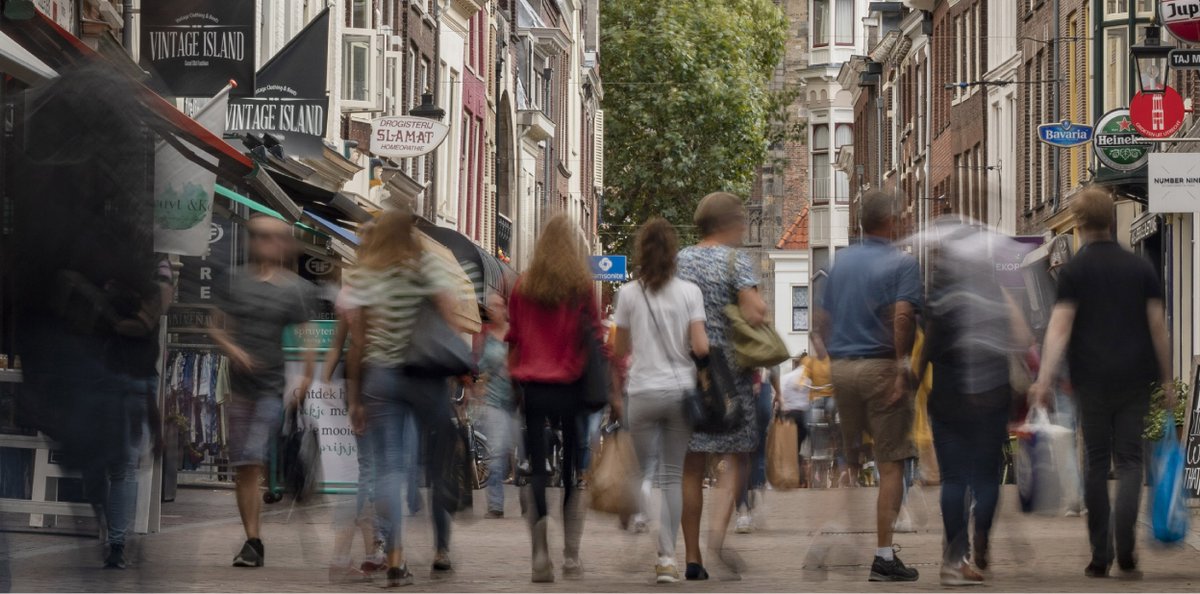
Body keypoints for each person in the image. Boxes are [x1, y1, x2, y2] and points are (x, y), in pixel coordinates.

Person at [1029, 188, 1173, 581]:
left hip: (1090, 380)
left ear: (1078, 224)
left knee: (1095, 462)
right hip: (1135, 379)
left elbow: (1060, 327)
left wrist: (1044, 379)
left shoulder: (1073, 271)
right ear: (1111, 220)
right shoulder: (1140, 267)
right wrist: (1167, 378)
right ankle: (1125, 549)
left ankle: (1099, 556)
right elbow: (1158, 327)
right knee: (1129, 462)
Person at [343, 208, 461, 587]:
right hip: (423, 375)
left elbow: (357, 340)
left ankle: (395, 557)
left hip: (380, 376)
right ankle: (441, 546)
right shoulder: (424, 263)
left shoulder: (365, 272)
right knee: (440, 461)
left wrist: (355, 397)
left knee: (388, 469)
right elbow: (450, 311)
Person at [814, 190, 922, 582]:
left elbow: (820, 321)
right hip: (879, 367)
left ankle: (823, 535)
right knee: (892, 464)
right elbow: (904, 318)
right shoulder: (902, 263)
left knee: (850, 459)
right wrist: (901, 367)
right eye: (904, 215)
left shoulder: (840, 263)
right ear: (889, 221)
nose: (908, 222)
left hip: (841, 368)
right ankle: (882, 557)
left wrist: (831, 360)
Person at [920, 219, 1033, 585]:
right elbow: (1022, 337)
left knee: (954, 480)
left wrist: (912, 381)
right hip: (990, 394)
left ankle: (954, 560)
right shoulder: (991, 290)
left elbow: (927, 350)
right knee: (985, 478)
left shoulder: (936, 297)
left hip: (949, 396)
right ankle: (980, 539)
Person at [210, 215, 317, 569]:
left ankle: (254, 541)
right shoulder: (233, 281)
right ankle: (253, 540)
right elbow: (213, 325)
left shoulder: (296, 289)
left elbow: (307, 335)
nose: (266, 244)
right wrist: (233, 348)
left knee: (254, 456)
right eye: (260, 237)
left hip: (271, 387)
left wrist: (305, 377)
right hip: (240, 388)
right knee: (244, 466)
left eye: (273, 238)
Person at [506, 214, 607, 583]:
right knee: (569, 475)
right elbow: (595, 334)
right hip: (571, 384)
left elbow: (513, 337)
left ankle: (540, 550)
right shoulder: (581, 286)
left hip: (533, 386)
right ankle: (571, 555)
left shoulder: (523, 285)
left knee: (535, 466)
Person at [612, 218, 710, 583]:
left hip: (641, 391)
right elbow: (700, 346)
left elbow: (619, 348)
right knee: (672, 476)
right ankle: (667, 558)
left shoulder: (628, 294)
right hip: (680, 391)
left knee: (642, 471)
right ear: (673, 254)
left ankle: (635, 511)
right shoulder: (689, 293)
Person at [677, 192, 769, 581]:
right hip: (729, 374)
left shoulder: (679, 260)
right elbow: (755, 312)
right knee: (737, 457)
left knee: (691, 466)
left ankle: (693, 556)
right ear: (728, 224)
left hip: (688, 369)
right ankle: (717, 535)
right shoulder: (736, 260)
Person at [83, 258, 172, 570]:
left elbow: (141, 324)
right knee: (121, 468)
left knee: (118, 467)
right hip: (125, 381)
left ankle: (117, 542)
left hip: (119, 381)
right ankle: (117, 542)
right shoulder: (153, 274)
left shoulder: (107, 279)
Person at [477, 292, 519, 518]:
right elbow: (480, 366)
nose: (492, 309)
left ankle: (526, 500)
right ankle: (495, 504)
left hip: (516, 400)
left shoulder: (515, 334)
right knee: (497, 450)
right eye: (489, 306)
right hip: (494, 401)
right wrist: (479, 384)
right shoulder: (487, 337)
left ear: (505, 308)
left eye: (496, 305)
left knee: (519, 454)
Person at [736, 367, 779, 533]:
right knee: (759, 453)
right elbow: (773, 366)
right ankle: (757, 502)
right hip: (763, 387)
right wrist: (779, 394)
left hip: (739, 390)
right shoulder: (762, 342)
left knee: (740, 456)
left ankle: (743, 513)